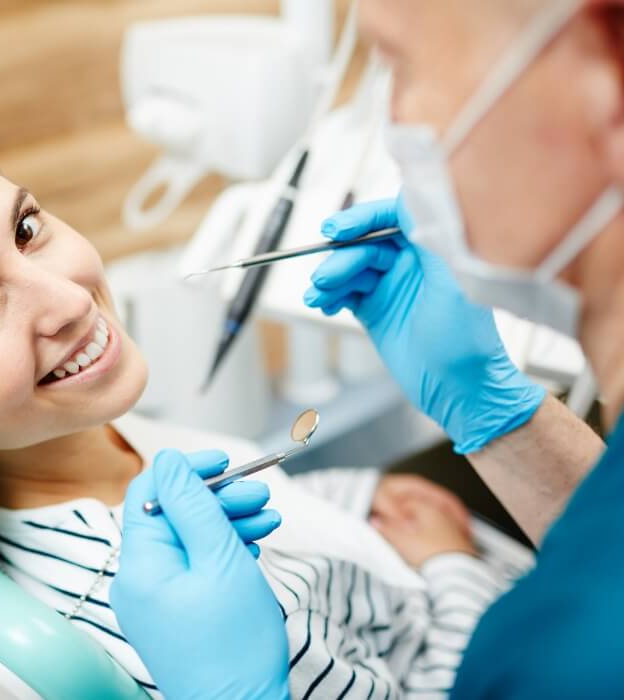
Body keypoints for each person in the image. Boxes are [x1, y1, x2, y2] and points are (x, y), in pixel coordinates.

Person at [0, 119, 527, 698]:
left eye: (26, 228)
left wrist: (356, 500)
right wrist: (448, 565)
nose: (64, 297)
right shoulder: (138, 607)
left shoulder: (63, 437)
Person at [110, 0, 624, 698]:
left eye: (399, 65)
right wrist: (499, 417)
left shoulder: (553, 666)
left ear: (608, 81)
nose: (392, 126)